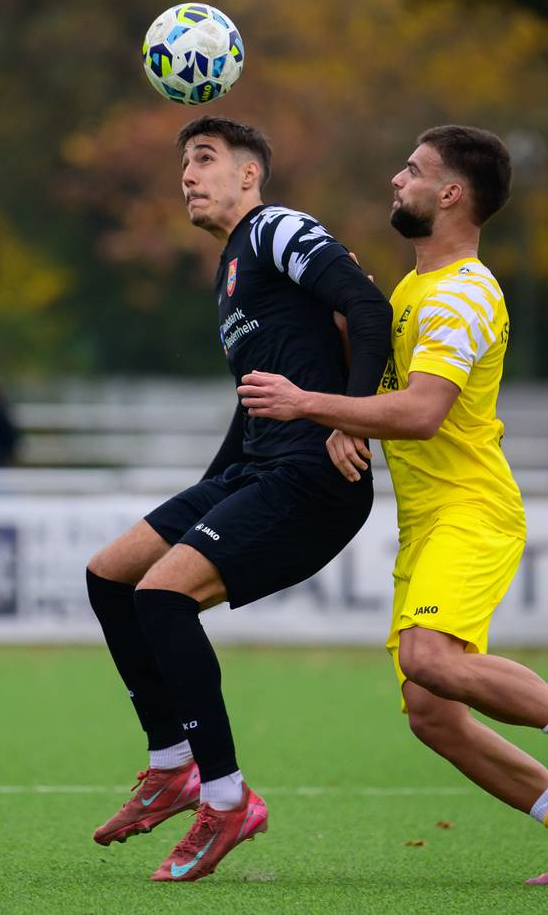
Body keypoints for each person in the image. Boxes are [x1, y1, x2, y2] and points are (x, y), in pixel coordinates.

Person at [237, 125, 548, 887]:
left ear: (452, 192)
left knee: (428, 658)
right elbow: (389, 394)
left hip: (471, 508)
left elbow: (424, 412)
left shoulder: (464, 294)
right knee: (431, 712)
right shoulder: (414, 290)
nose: (396, 179)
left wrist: (307, 403)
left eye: (413, 169)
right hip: (428, 519)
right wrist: (343, 387)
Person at [86, 116, 392, 882]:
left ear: (249, 174)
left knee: (162, 598)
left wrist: (350, 418)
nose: (187, 176)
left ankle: (226, 800)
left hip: (313, 475)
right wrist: (207, 494)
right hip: (258, 467)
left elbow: (369, 308)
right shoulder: (230, 267)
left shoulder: (276, 228)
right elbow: (253, 401)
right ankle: (172, 766)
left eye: (204, 159)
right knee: (110, 576)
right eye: (184, 164)